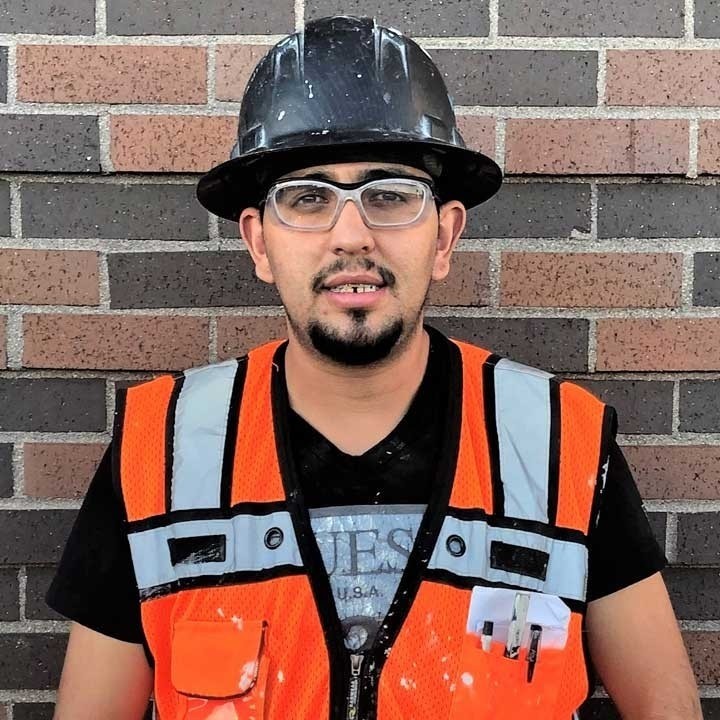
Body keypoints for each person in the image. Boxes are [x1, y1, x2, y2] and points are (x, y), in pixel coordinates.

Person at [48, 15, 701, 720]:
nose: (351, 235)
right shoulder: (160, 453)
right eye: (308, 199)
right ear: (259, 243)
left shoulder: (559, 446)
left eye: (390, 195)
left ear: (444, 236)